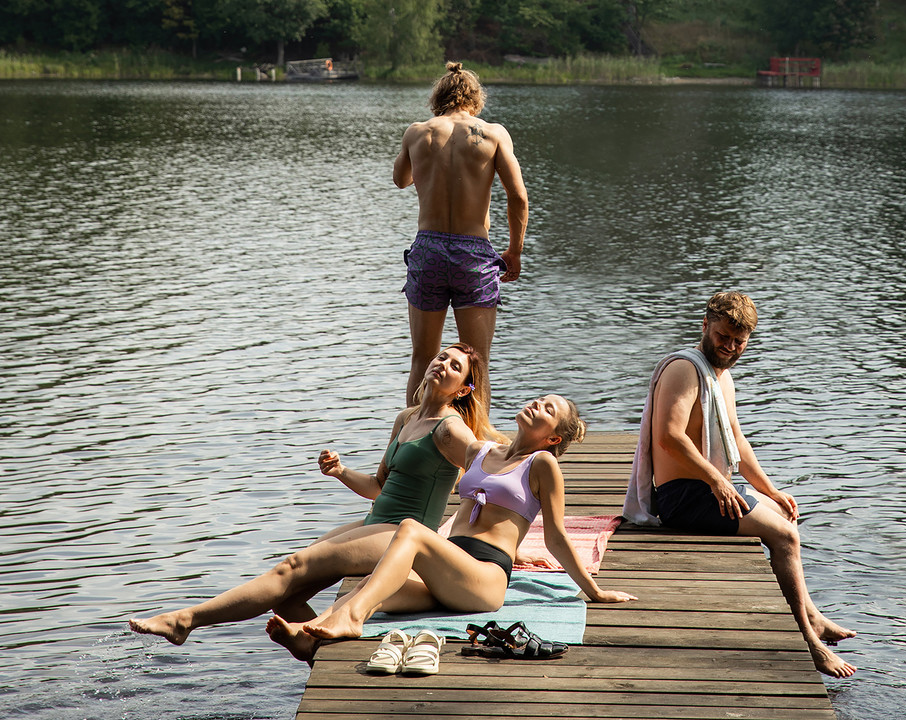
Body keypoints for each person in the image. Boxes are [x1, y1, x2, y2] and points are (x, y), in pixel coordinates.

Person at [129, 343, 491, 652]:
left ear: (462, 389)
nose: (443, 364)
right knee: (287, 597)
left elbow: (484, 461)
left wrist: (472, 514)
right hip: (375, 523)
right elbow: (379, 487)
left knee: (292, 567)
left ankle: (186, 619)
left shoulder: (449, 428)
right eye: (442, 357)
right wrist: (340, 471)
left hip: (399, 535)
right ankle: (311, 644)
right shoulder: (407, 418)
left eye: (455, 366)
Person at [621, 291, 857, 678]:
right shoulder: (685, 369)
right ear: (705, 326)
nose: (729, 347)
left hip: (706, 490)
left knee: (783, 513)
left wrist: (770, 489)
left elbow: (737, 441)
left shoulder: (722, 377)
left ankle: (812, 615)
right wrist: (717, 480)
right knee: (784, 537)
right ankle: (809, 641)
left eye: (739, 341)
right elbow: (669, 436)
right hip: (682, 496)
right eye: (723, 337)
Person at [280, 394, 636, 648]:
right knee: (373, 588)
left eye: (547, 409)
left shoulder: (542, 464)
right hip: (450, 570)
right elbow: (435, 446)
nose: (536, 404)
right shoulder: (482, 450)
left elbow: (556, 538)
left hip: (484, 578)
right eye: (538, 399)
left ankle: (350, 621)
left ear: (554, 437)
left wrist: (595, 592)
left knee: (411, 531)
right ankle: (310, 633)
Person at [397, 61, 528, 408]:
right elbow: (518, 197)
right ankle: (477, 452)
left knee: (423, 359)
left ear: (438, 98)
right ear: (475, 99)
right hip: (474, 253)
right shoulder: (494, 134)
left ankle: (410, 445)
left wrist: (428, 166)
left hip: (428, 249)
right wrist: (514, 251)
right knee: (478, 363)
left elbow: (400, 179)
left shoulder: (417, 132)